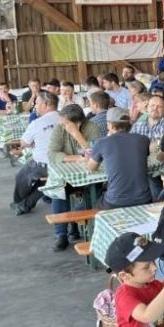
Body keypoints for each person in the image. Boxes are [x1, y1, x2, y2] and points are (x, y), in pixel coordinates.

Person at [46, 104, 102, 249]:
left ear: (77, 122)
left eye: (65, 122)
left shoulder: (92, 128)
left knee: (95, 192)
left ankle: (83, 225)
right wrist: (76, 158)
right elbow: (52, 153)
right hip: (67, 176)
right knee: (59, 191)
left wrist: (76, 134)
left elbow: (95, 153)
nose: (62, 124)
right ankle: (61, 234)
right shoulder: (59, 128)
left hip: (91, 176)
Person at [88, 108, 152, 210]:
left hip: (115, 201)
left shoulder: (102, 142)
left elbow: (91, 167)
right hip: (144, 199)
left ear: (110, 125)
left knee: (93, 203)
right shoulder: (143, 139)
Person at [10, 91, 61, 216]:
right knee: (44, 182)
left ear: (46, 105)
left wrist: (34, 142)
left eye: (37, 103)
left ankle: (19, 203)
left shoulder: (37, 123)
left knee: (21, 176)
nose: (35, 106)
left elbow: (24, 143)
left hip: (43, 164)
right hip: (64, 163)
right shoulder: (65, 118)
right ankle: (24, 205)